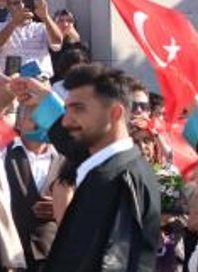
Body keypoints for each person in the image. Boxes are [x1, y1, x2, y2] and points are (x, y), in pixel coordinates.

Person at [13, 63, 161, 271]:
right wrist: (44, 98)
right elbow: (73, 145)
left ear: (115, 113)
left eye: (79, 109)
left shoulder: (120, 179)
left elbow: (113, 263)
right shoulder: (108, 165)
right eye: (67, 109)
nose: (66, 120)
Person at [4, 101, 63, 271]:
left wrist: (59, 207)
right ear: (19, 122)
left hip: (52, 255)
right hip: (13, 255)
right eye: (34, 117)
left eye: (45, 118)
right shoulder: (3, 154)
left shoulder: (66, 160)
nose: (40, 123)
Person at [0, 0, 63, 79]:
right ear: (8, 7)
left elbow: (57, 42)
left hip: (39, 81)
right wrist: (14, 23)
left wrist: (45, 16)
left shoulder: (42, 27)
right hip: (10, 83)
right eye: (16, 3)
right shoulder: (1, 26)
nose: (22, 5)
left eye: (26, 1)